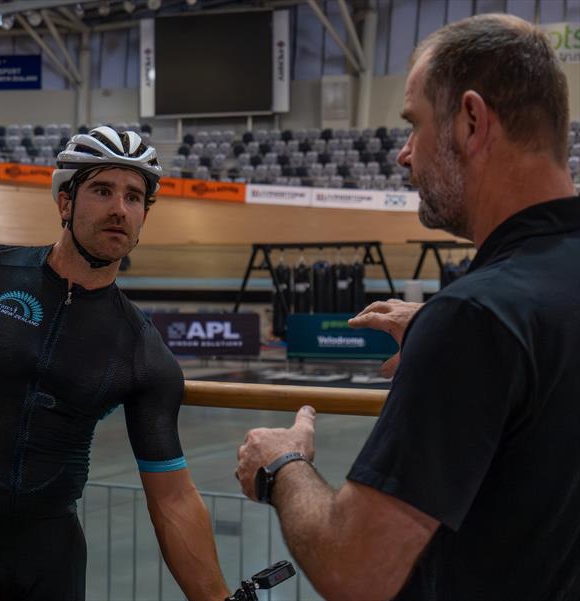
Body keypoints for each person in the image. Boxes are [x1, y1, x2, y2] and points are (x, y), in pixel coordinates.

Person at [235, 14, 580, 600]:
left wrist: (282, 467)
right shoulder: (513, 315)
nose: (403, 154)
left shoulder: (478, 319)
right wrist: (470, 343)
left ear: (472, 122)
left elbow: (356, 571)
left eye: (414, 125)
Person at [0, 126, 229, 601]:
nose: (120, 208)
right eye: (102, 190)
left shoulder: (142, 350)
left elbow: (174, 498)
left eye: (134, 197)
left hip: (52, 549)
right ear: (65, 203)